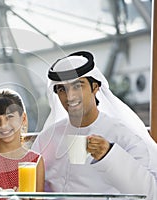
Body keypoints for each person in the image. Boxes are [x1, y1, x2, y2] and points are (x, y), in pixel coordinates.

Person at [31, 51, 157, 198]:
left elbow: (151, 193)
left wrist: (109, 154)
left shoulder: (123, 135)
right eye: (62, 89)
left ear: (95, 87)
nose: (70, 96)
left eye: (77, 86)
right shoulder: (46, 138)